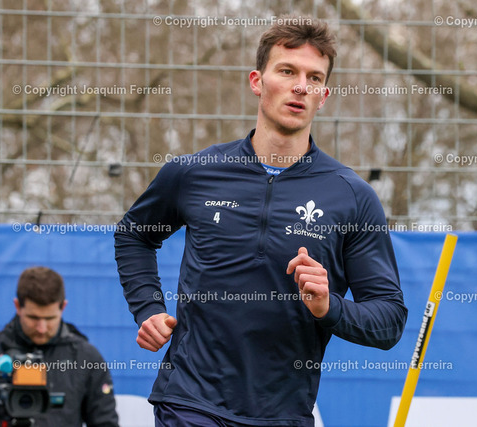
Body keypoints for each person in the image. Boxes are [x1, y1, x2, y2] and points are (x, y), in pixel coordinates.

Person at [114, 15, 407, 427]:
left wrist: (329, 307)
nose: (300, 86)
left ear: (323, 96)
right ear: (257, 81)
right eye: (287, 71)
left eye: (314, 77)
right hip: (190, 402)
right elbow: (134, 235)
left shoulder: (353, 197)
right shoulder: (195, 172)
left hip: (283, 414)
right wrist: (148, 307)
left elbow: (389, 320)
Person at [0, 266, 119, 427]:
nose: (41, 328)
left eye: (50, 318)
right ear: (18, 306)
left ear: (63, 307)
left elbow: (105, 422)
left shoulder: (86, 357)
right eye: (33, 318)